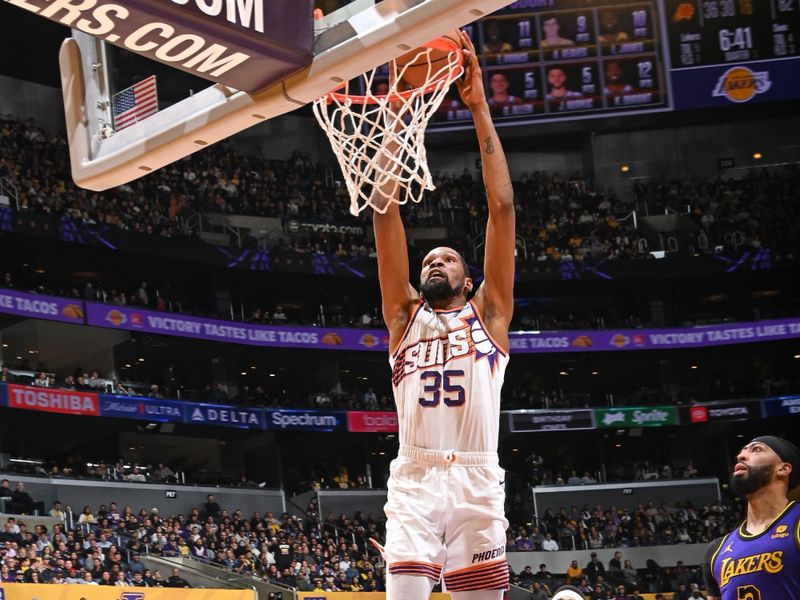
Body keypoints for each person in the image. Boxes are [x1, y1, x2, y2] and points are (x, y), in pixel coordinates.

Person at [370, 29, 515, 600]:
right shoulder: (403, 317)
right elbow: (385, 214)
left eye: (447, 257)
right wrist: (400, 110)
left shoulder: (491, 314)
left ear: (469, 280)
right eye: (429, 258)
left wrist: (478, 105)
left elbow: (501, 209)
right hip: (415, 476)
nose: (434, 260)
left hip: (479, 476)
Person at [702, 435, 800, 599]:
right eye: (741, 451)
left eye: (756, 449)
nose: (741, 456)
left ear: (783, 469)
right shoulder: (716, 551)